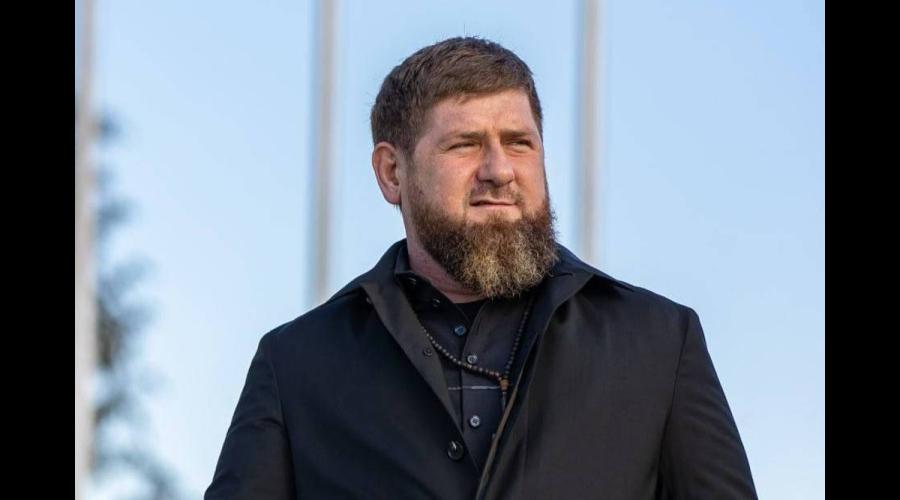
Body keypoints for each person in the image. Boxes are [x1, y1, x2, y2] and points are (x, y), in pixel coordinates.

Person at [205, 36, 757, 500]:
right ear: (392, 173)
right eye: (465, 145)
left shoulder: (660, 342)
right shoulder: (294, 364)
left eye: (519, 143)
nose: (499, 170)